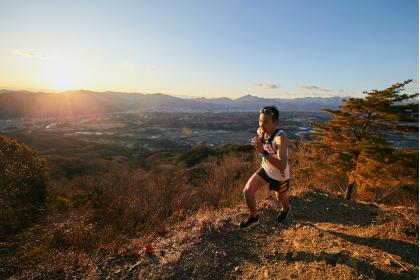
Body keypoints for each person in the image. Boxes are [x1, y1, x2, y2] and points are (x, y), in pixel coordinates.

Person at [240, 105, 291, 228]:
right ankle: (254, 217)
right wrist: (258, 142)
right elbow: (260, 133)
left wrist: (263, 152)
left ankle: (285, 209)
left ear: (275, 122)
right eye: (260, 121)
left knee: (281, 198)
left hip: (280, 175)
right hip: (266, 169)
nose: (261, 125)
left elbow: (282, 165)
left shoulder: (280, 138)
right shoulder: (261, 131)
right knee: (247, 192)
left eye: (266, 122)